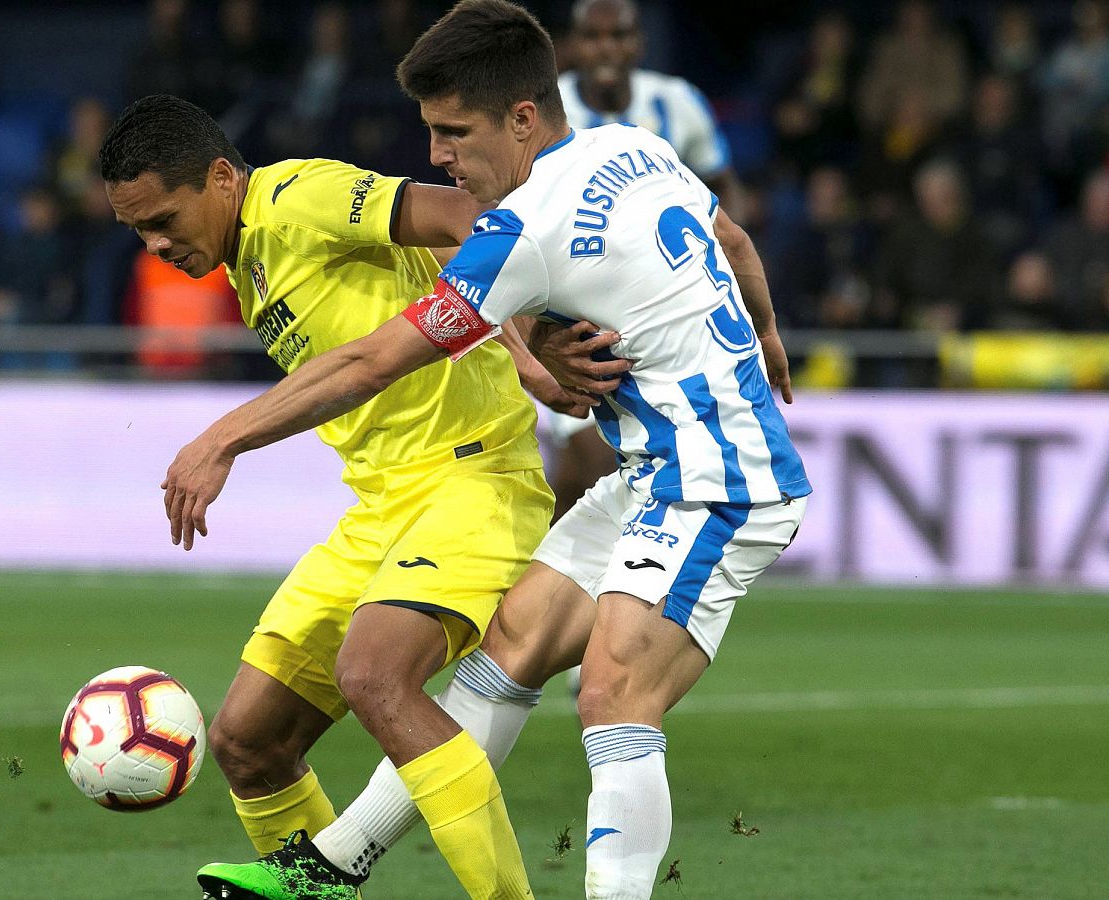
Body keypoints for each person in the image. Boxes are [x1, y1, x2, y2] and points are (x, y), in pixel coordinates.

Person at [180, 3, 809, 899]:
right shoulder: (629, 146)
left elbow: (367, 361)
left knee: (613, 695)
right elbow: (734, 241)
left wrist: (224, 437)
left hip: (719, 479)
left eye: (452, 131)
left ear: (522, 118)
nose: (438, 155)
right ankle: (331, 867)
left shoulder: (522, 230)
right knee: (509, 644)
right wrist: (768, 337)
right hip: (653, 474)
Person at [99, 94, 610, 900]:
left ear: (223, 178)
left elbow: (472, 216)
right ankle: (320, 887)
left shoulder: (298, 197)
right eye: (139, 234)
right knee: (246, 740)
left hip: (472, 479)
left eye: (163, 219)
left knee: (376, 675)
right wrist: (519, 352)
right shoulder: (246, 260)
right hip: (381, 505)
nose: (156, 246)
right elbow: (445, 269)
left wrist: (538, 330)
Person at [549, 0, 746, 520]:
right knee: (600, 473)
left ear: (638, 42)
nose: (607, 49)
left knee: (588, 489)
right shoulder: (548, 109)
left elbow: (723, 193)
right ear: (574, 45)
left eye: (619, 36)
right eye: (594, 37)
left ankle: (556, 591)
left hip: (669, 322)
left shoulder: (677, 103)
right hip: (579, 326)